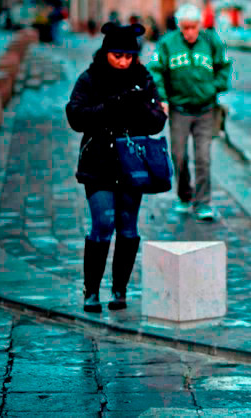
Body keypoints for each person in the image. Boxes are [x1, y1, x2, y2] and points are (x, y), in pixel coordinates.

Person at [66, 22, 168, 313]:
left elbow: (157, 120)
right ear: (107, 52)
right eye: (117, 55)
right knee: (103, 222)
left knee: (128, 226)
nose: (123, 62)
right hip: (98, 161)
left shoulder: (143, 77)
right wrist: (113, 104)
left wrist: (139, 106)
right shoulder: (90, 78)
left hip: (131, 163)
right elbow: (76, 117)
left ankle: (120, 289)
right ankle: (91, 291)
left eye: (128, 56)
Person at [148, 4, 232, 221]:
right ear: (179, 27)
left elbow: (224, 66)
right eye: (185, 28)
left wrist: (215, 87)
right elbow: (156, 71)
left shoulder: (211, 41)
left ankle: (203, 202)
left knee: (203, 158)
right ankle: (184, 195)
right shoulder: (168, 44)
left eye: (193, 27)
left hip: (206, 109)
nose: (189, 32)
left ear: (200, 25)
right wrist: (163, 98)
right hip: (179, 110)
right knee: (179, 156)